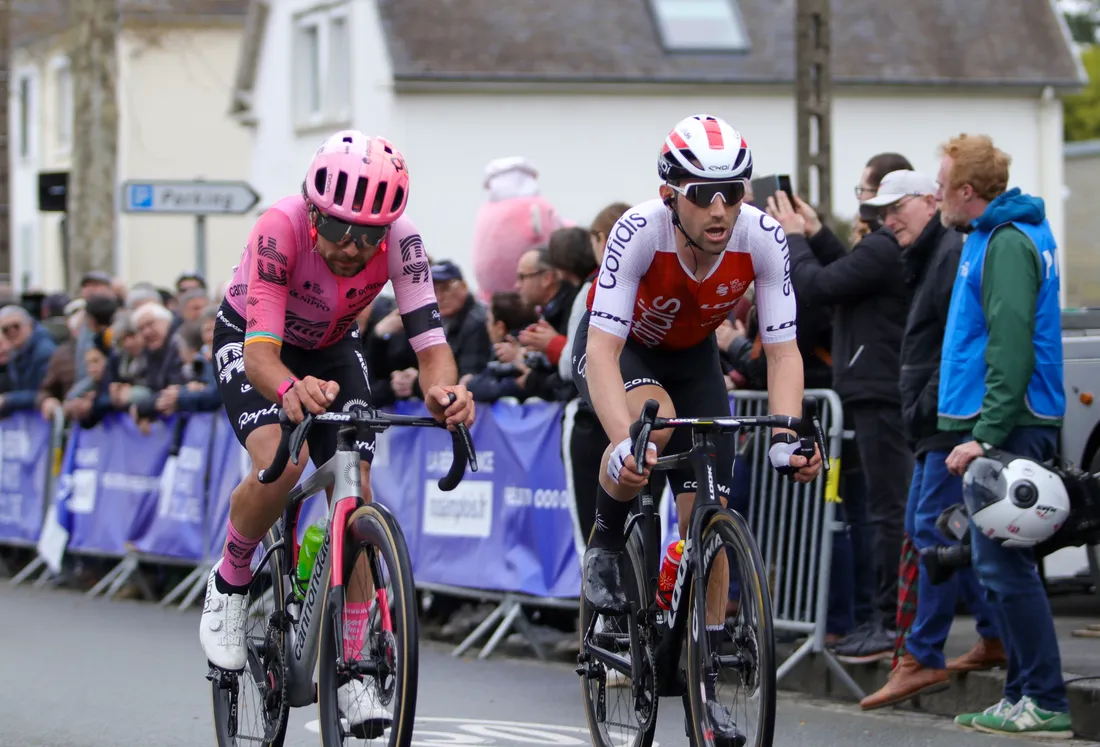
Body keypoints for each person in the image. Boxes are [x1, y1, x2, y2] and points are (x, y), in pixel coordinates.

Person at [199, 130, 475, 733]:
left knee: (357, 489)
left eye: (369, 234)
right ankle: (231, 579)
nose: (354, 248)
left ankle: (353, 665)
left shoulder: (403, 243)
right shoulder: (279, 229)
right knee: (281, 460)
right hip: (253, 342)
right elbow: (263, 358)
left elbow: (433, 348)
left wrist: (445, 392)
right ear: (315, 210)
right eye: (341, 230)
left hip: (331, 349)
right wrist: (288, 390)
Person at [574, 114, 822, 743]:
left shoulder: (763, 237)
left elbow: (784, 352)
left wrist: (789, 435)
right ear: (669, 196)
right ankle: (606, 542)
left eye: (732, 193)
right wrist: (623, 439)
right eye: (701, 194)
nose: (720, 209)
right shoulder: (637, 232)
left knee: (709, 510)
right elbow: (601, 353)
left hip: (694, 363)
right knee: (648, 436)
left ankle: (704, 673)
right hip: (622, 353)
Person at [934, 134, 1071, 737]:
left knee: (1004, 569)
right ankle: (1021, 695)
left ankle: (1044, 698)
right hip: (1009, 420)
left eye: (941, 186)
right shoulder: (997, 236)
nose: (935, 196)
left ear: (967, 192)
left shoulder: (1006, 243)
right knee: (1006, 567)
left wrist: (985, 436)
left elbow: (1009, 345)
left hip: (1010, 425)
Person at [853, 170, 1003, 709]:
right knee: (950, 529)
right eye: (880, 211)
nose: (887, 220)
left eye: (897, 207)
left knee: (932, 528)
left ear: (930, 199)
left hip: (944, 419)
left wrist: (928, 403)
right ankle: (991, 633)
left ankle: (923, 655)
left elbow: (961, 339)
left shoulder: (951, 252)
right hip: (933, 419)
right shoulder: (930, 255)